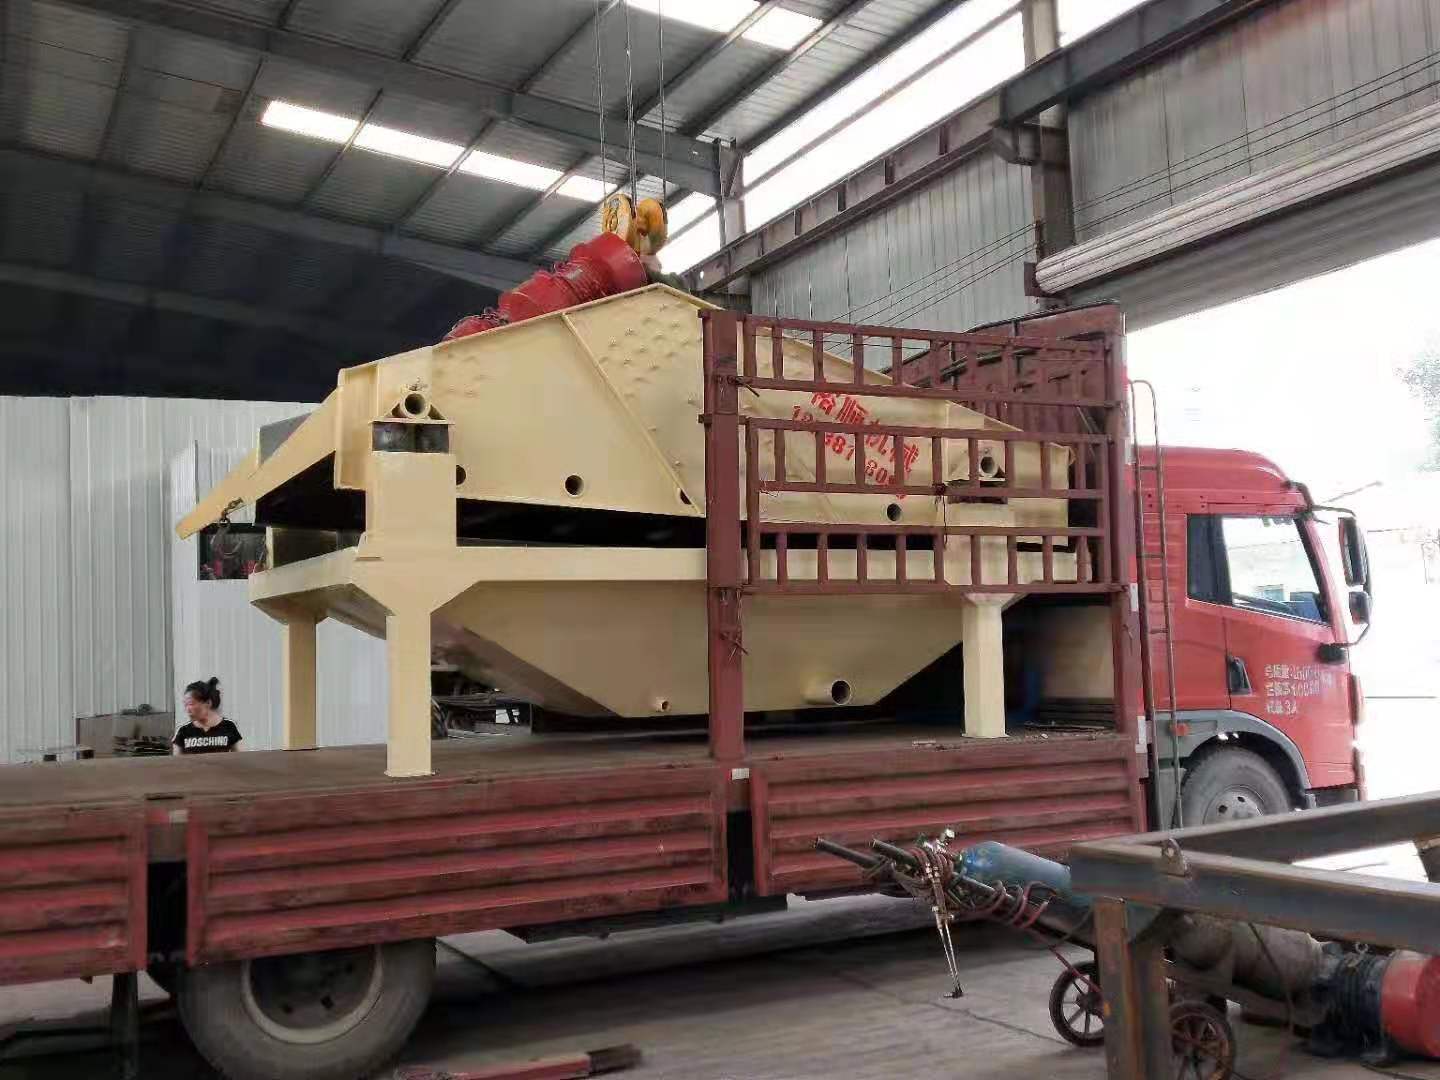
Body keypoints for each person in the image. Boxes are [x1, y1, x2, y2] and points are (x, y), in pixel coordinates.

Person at [172, 677, 244, 755]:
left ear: (208, 703)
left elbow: (242, 757)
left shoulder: (229, 726)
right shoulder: (183, 731)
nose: (187, 709)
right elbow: (176, 760)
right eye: (185, 705)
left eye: (190, 704)